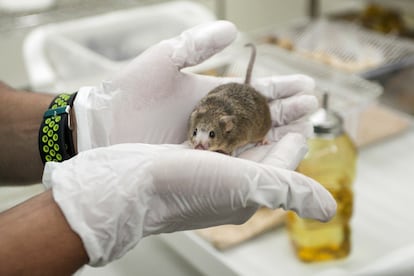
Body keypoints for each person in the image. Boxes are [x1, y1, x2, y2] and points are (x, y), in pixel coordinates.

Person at [0, 20, 336, 275]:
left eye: (210, 140)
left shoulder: (230, 127)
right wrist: (88, 210)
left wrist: (86, 125)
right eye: (198, 137)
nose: (201, 145)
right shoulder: (205, 125)